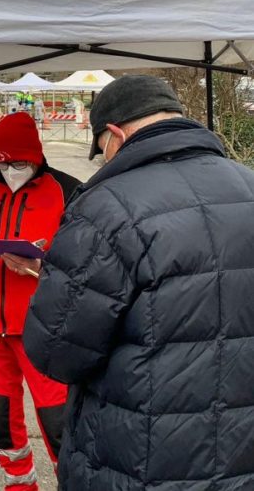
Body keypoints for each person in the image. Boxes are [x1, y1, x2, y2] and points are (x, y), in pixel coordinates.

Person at [23, 74, 254, 489]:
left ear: (114, 134)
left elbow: (56, 352)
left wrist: (61, 277)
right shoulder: (249, 185)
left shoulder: (105, 209)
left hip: (136, 456)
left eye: (101, 150)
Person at [0, 111, 80, 491]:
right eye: (3, 162)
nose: (10, 169)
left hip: (45, 330)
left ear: (37, 156)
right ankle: (18, 486)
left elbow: (89, 265)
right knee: (3, 427)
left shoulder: (70, 192)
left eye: (19, 162)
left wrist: (42, 266)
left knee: (60, 426)